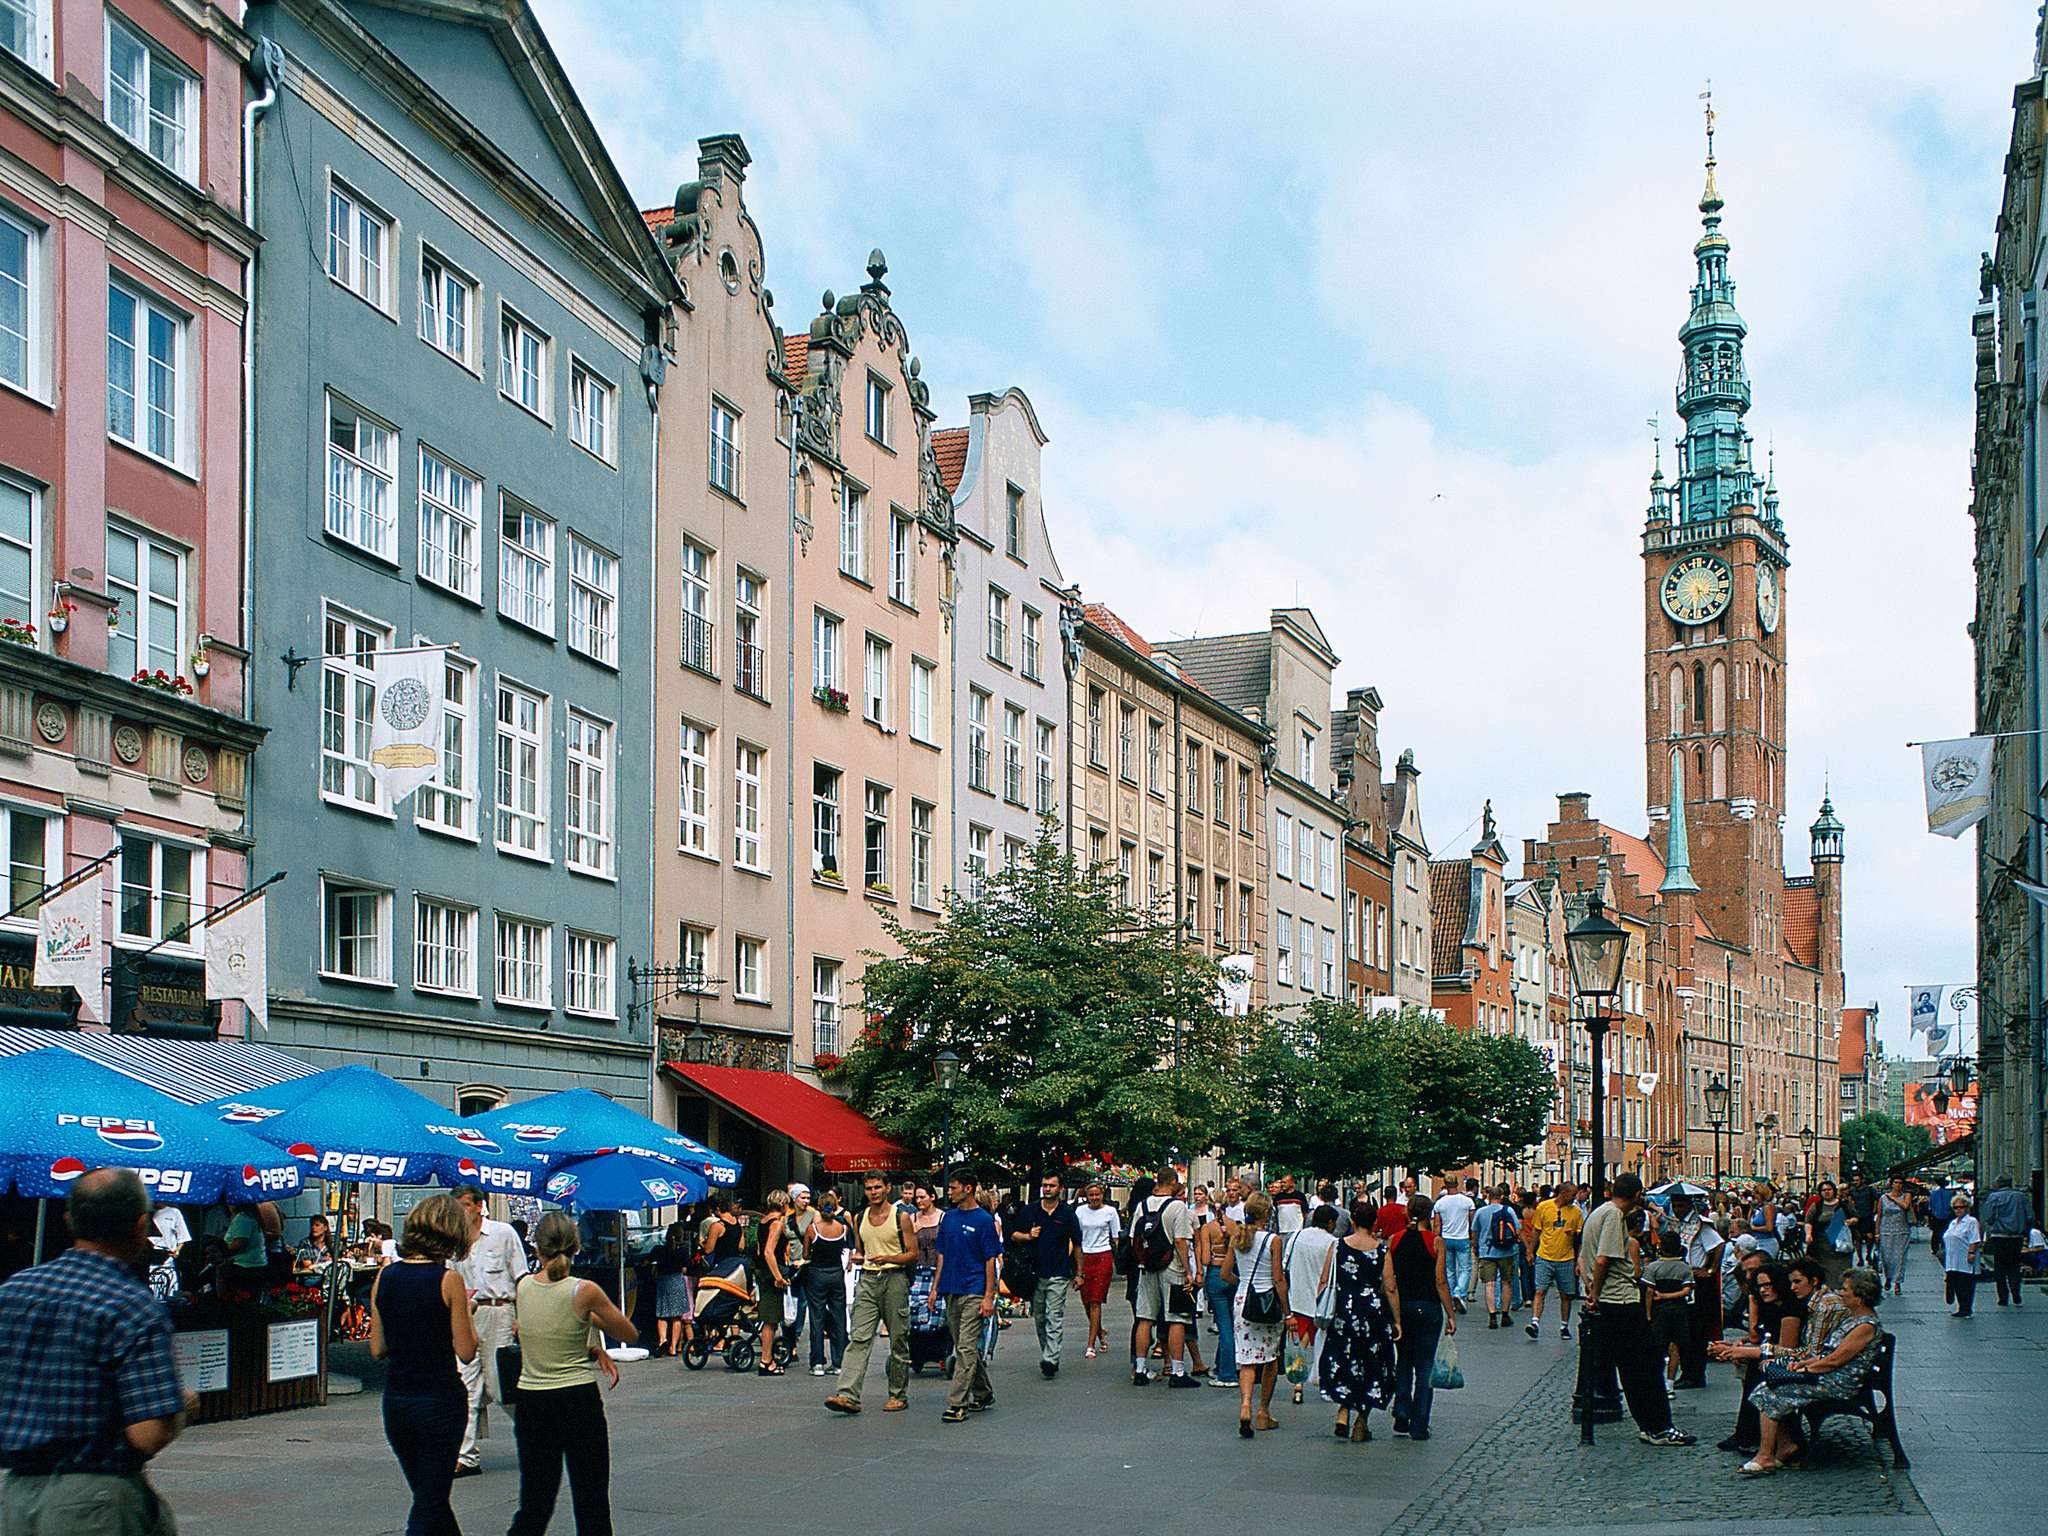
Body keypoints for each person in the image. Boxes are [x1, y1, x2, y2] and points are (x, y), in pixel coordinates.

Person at [0, 1169, 194, 1536]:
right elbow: (148, 1433)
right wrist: (181, 1408)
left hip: (16, 1497)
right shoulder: (131, 1305)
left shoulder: (14, 1291)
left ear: (70, 1220)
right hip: (96, 1500)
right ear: (141, 1226)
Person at [504, 1212, 637, 1536]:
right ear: (576, 1247)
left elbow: (530, 1329)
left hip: (532, 1400)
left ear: (537, 1248)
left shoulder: (522, 1288)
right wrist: (590, 1317)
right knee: (591, 1499)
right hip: (577, 1398)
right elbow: (629, 1333)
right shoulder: (584, 1291)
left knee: (535, 1501)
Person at [370, 1195, 477, 1536]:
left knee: (429, 1497)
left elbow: (377, 1348)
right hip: (440, 1400)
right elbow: (466, 1351)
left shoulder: (385, 1276)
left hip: (397, 1401)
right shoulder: (448, 1280)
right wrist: (468, 1314)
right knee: (430, 1503)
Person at [1578, 1172, 1694, 1446]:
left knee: (1630, 1368)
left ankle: (1649, 1424)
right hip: (1620, 1300)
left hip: (1610, 1300)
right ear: (1637, 1194)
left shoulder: (1597, 1213)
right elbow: (1604, 1259)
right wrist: (1595, 1294)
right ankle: (1659, 1427)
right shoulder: (1614, 1216)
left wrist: (1590, 1288)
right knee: (1645, 1366)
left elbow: (1585, 1257)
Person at [1739, 1268, 1883, 1476]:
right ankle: (1783, 1446)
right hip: (1827, 1375)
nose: (1841, 1293)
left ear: (1860, 1296)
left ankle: (1765, 1455)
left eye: (1845, 1290)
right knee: (1767, 1382)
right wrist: (1802, 1364)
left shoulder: (1865, 1326)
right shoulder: (1852, 1319)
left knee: (1769, 1391)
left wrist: (1807, 1368)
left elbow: (1835, 1360)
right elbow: (1828, 1353)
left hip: (1838, 1382)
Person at [1709, 1256, 1833, 1457]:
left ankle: (1762, 1439)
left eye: (1768, 1285)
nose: (1763, 1290)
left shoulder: (1790, 1309)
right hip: (1795, 1358)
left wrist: (1744, 1350)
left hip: (1804, 1362)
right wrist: (1736, 1345)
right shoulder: (1771, 1306)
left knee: (1761, 1370)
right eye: (1759, 1286)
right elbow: (1757, 1336)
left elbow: (1786, 1349)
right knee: (1752, 1364)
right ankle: (1751, 1434)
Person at [825, 1174, 920, 1415]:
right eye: (869, 1188)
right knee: (859, 1337)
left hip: (895, 1277)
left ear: (888, 1188)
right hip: (868, 1278)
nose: (874, 1192)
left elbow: (912, 1254)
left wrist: (887, 1257)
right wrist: (857, 1257)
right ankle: (847, 1394)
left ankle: (898, 1393)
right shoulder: (860, 1218)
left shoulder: (902, 1217)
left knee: (898, 1338)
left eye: (878, 1187)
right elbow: (861, 1248)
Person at [453, 1183, 527, 1477]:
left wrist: (522, 1316)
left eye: (466, 1206)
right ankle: (466, 1456)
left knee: (501, 1387)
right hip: (469, 1313)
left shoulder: (503, 1233)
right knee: (465, 1385)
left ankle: (539, 1430)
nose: (461, 1212)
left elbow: (521, 1276)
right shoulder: (453, 1242)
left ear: (479, 1206)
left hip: (499, 1309)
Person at [1319, 1200, 1400, 1443]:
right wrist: (1397, 1320)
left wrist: (1321, 1308)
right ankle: (1361, 1421)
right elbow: (1390, 1287)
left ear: (1352, 1221)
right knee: (1372, 1364)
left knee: (1343, 1358)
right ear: (1374, 1222)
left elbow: (1324, 1280)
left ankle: (1343, 1412)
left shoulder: (1337, 1246)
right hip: (1373, 1312)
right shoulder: (1382, 1250)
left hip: (1345, 1309)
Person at [930, 1167, 1001, 1423]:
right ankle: (983, 1392)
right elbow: (942, 1254)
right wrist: (935, 1287)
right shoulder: (948, 1218)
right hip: (951, 1288)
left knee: (966, 1347)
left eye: (953, 1187)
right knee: (964, 1347)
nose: (949, 1192)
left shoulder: (984, 1221)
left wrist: (988, 1296)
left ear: (968, 1188)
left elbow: (990, 1259)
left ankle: (957, 1403)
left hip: (974, 1289)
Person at [1387, 1194, 1455, 1440]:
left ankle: (1402, 1409)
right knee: (1425, 1366)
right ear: (1431, 1215)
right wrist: (1450, 1313)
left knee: (1403, 1360)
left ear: (1407, 1213)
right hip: (1428, 1308)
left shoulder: (1394, 1240)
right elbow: (1440, 1281)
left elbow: (1390, 1280)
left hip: (1402, 1307)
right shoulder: (1435, 1243)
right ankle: (1420, 1424)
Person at [1220, 1191, 1287, 1437]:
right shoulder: (1273, 1240)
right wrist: (1288, 1312)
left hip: (1243, 1300)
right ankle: (1263, 1411)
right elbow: (1278, 1278)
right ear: (1267, 1214)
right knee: (1270, 1359)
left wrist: (1243, 1283)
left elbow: (1225, 1274)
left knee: (1247, 1359)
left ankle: (1245, 1405)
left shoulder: (1237, 1237)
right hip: (1267, 1302)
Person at [1129, 1167, 1198, 1388]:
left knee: (1145, 1317)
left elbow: (1134, 1238)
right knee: (1177, 1318)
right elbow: (1180, 1241)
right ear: (1174, 1182)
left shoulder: (1143, 1205)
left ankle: (1140, 1369)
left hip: (1148, 1266)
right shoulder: (1178, 1207)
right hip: (1173, 1266)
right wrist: (1189, 1270)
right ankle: (1177, 1372)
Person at [1011, 1172, 1082, 1379]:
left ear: (1060, 1188)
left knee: (1054, 1315)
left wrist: (1079, 1273)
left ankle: (1050, 1357)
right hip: (1035, 1273)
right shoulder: (1030, 1210)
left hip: (1058, 1273)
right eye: (1044, 1185)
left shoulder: (1067, 1213)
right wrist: (1028, 1236)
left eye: (1051, 1185)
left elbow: (1077, 1244)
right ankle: (1048, 1353)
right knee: (1040, 1317)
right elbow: (1014, 1235)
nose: (1047, 1189)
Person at [1284, 1204, 1339, 1405]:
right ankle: (1323, 1382)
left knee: (1301, 1342)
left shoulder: (1296, 1237)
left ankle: (1297, 1384)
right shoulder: (1333, 1243)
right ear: (1331, 1223)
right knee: (1323, 1343)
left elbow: (1286, 1264)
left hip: (1297, 1298)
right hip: (1322, 1301)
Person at [1674, 1191, 1724, 1387]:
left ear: (1688, 1205)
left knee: (1695, 1331)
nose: (1678, 1210)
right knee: (1685, 1331)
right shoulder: (1680, 1224)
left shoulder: (1701, 1224)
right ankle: (1688, 1372)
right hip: (1684, 1278)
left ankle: (1694, 1374)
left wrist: (1710, 1269)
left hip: (1697, 1280)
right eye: (1675, 1205)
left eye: (1681, 1205)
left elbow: (1718, 1246)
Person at [801, 1189, 852, 1377]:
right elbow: (848, 1247)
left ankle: (817, 1363)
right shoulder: (842, 1228)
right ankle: (838, 1362)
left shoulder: (812, 1229)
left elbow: (806, 1254)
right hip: (836, 1274)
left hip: (817, 1274)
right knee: (839, 1317)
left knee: (817, 1317)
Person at [1197, 1182, 1239, 1388]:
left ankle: (1228, 1374)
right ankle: (1222, 1365)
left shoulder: (1207, 1228)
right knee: (1230, 1322)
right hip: (1232, 1274)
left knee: (1223, 1325)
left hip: (1215, 1273)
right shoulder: (1235, 1226)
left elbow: (1205, 1259)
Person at [1527, 1181, 1582, 1340]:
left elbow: (1580, 1236)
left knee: (1566, 1294)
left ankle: (1564, 1325)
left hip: (1566, 1257)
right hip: (1544, 1255)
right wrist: (1530, 1251)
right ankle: (1535, 1322)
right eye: (1572, 1194)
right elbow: (1537, 1231)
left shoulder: (1576, 1212)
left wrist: (1574, 1235)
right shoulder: (1544, 1207)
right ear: (1563, 1193)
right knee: (1540, 1290)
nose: (1574, 1197)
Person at [1072, 1180, 1121, 1360]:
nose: (1094, 1198)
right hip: (1084, 1257)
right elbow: (1075, 1236)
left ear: (1102, 1195)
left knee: (1095, 1300)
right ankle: (1099, 1331)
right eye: (1091, 1195)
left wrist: (1119, 1258)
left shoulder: (1110, 1212)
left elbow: (1116, 1237)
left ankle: (1091, 1343)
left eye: (1097, 1194)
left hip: (1103, 1256)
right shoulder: (1080, 1211)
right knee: (1086, 1300)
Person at [750, 1189, 797, 1376]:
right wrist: (778, 1276)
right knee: (771, 1319)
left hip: (762, 1271)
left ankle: (767, 1358)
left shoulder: (763, 1221)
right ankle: (766, 1360)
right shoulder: (777, 1223)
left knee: (770, 1318)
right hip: (771, 1273)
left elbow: (760, 1249)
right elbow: (769, 1251)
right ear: (785, 1205)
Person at [1642, 1230, 1693, 1395]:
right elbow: (1687, 1291)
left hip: (1659, 1312)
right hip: (1679, 1310)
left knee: (1657, 1347)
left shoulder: (1653, 1268)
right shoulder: (1685, 1268)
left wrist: (1648, 1313)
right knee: (1675, 1347)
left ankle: (1655, 1382)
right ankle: (1670, 1384)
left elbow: (1649, 1292)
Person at [1979, 1174, 2037, 1307]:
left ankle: (2002, 1297)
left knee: (1999, 1267)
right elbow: (2030, 1216)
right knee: (2014, 1265)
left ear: (1998, 1184)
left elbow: (1988, 1217)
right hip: (2016, 1237)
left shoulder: (1993, 1197)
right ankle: (2016, 1293)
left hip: (1998, 1236)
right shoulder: (2020, 1196)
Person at [1474, 1184, 1521, 1329]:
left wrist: (1476, 1247)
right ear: (1501, 1197)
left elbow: (1475, 1231)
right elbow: (1518, 1229)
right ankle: (1505, 1315)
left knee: (1490, 1284)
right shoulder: (1509, 1210)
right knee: (1506, 1282)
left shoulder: (1481, 1212)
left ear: (1488, 1196)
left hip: (1487, 1251)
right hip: (1506, 1251)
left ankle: (1492, 1316)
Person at [1433, 1177, 1476, 1312]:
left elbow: (1437, 1224)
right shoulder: (1467, 1201)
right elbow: (1472, 1221)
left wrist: (1436, 1239)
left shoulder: (1440, 1203)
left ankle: (1452, 1297)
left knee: (1449, 1270)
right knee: (1465, 1268)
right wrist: (1473, 1238)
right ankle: (1460, 1292)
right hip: (1462, 1237)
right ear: (1457, 1184)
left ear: (1445, 1185)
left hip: (1446, 1238)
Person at [651, 1222, 693, 1357]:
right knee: (677, 1316)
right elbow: (686, 1268)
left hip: (663, 1281)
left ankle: (662, 1340)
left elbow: (646, 1261)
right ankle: (673, 1347)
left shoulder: (658, 1249)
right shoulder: (683, 1250)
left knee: (662, 1315)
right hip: (676, 1280)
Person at [1803, 1178, 1853, 1289]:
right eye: (1824, 1190)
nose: (1826, 1192)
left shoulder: (1844, 1204)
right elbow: (1808, 1221)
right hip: (1822, 1246)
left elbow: (1855, 1217)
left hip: (1840, 1245)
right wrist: (1808, 1234)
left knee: (1840, 1271)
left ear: (1834, 1190)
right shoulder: (1816, 1206)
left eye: (1829, 1189)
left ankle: (1841, 1291)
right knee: (1824, 1271)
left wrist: (1850, 1221)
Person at [1942, 1193, 1983, 1317]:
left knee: (1965, 1283)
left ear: (1967, 1208)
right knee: (1956, 1283)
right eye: (1956, 1207)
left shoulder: (1971, 1221)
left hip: (1965, 1258)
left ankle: (1966, 1308)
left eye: (1962, 1207)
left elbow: (1974, 1239)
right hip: (1952, 1259)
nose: (1959, 1210)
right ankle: (1960, 1307)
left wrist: (1971, 1252)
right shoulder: (1953, 1223)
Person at [1875, 1177, 1914, 1297]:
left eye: (1900, 1183)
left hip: (1902, 1231)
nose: (1898, 1185)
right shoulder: (1883, 1198)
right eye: (1896, 1182)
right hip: (1886, 1230)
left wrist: (1894, 1199)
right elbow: (1879, 1215)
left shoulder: (1906, 1196)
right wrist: (1877, 1232)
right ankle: (1888, 1277)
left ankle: (1897, 1283)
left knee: (1900, 1258)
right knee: (1886, 1258)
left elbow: (1906, 1206)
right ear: (1891, 1184)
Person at [1845, 1170, 1879, 1268]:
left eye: (1857, 1180)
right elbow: (1849, 1202)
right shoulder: (1852, 1191)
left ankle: (1868, 1254)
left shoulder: (1869, 1190)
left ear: (1862, 1180)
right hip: (1857, 1216)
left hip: (1867, 1215)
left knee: (1870, 1237)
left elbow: (1875, 1200)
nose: (1855, 1182)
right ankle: (1860, 1258)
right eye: (1854, 1180)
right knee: (1857, 1238)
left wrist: (1874, 1211)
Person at [1374, 1176, 1418, 1241]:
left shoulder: (1380, 1211)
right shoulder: (1404, 1209)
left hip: (1387, 1240)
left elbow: (1375, 1229)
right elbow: (1410, 1224)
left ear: (1385, 1196)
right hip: (1402, 1240)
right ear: (1395, 1196)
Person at [1925, 1174, 1955, 1261]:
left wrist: (1933, 1213)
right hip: (1947, 1216)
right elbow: (1951, 1205)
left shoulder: (1933, 1193)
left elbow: (1930, 1206)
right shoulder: (1950, 1193)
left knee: (1936, 1232)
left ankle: (1935, 1248)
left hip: (1936, 1216)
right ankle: (1944, 1245)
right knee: (1945, 1231)